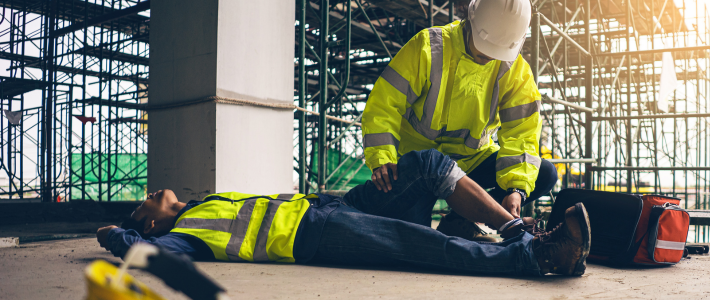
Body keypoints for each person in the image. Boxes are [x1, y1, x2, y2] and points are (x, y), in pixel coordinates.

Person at [97, 149, 591, 277]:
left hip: (325, 207)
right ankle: (538, 256)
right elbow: (143, 252)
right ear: (151, 220)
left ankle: (515, 230)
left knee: (424, 167)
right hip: (314, 236)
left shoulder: (203, 203)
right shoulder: (181, 235)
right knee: (422, 247)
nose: (151, 191)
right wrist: (115, 234)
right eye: (143, 204)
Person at [361, 0, 558, 242]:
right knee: (415, 236)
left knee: (545, 173)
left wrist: (515, 189)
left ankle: (462, 220)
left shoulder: (515, 71)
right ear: (470, 21)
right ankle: (454, 217)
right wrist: (382, 158)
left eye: (495, 52)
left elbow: (522, 134)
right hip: (420, 165)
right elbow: (384, 104)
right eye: (483, 48)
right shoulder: (429, 47)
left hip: (471, 162)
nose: (488, 57)